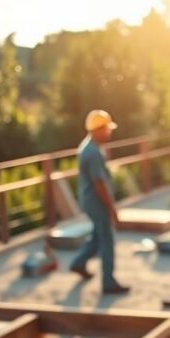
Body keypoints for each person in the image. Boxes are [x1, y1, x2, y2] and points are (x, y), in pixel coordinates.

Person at [69, 109, 129, 294]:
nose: (110, 132)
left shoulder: (88, 147)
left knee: (97, 235)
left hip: (89, 200)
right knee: (107, 240)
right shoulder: (94, 153)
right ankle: (108, 282)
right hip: (97, 202)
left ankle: (78, 263)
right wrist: (112, 208)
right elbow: (99, 183)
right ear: (99, 130)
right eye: (107, 129)